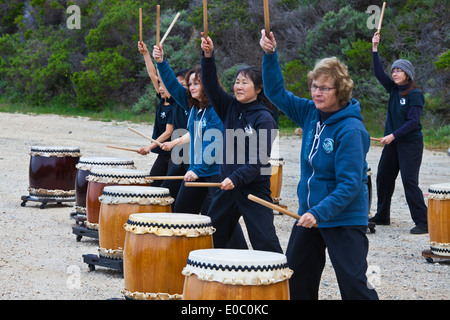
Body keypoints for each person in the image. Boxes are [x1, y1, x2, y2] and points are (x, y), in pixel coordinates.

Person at [260, 30, 378, 300]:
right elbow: (275, 92)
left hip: (343, 219)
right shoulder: (310, 113)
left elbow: (350, 184)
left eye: (325, 88)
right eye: (314, 86)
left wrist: (320, 212)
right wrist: (270, 55)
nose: (317, 92)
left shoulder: (351, 130)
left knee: (354, 285)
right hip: (310, 216)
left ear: (341, 90)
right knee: (296, 278)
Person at [201, 35, 282, 254]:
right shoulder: (229, 107)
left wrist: (235, 178)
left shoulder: (264, 118)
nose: (238, 86)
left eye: (244, 82)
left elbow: (259, 160)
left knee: (265, 241)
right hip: (227, 188)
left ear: (258, 89)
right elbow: (209, 85)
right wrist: (208, 56)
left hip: (253, 188)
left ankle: (281, 284)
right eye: (237, 81)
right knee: (211, 237)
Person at [370, 32, 428, 234]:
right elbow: (379, 73)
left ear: (407, 74)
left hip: (410, 144)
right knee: (384, 177)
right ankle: (382, 215)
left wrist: (393, 135)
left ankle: (423, 221)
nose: (394, 73)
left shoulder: (415, 94)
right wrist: (375, 49)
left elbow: (413, 122)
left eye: (398, 71)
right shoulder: (393, 89)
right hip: (393, 143)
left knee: (409, 181)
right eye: (393, 70)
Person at [137, 41, 174, 187]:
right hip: (163, 153)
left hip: (175, 154)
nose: (160, 88)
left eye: (164, 86)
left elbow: (168, 132)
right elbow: (153, 75)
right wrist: (146, 53)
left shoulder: (173, 105)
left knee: (168, 187)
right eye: (159, 86)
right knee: (153, 183)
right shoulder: (162, 100)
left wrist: (149, 147)